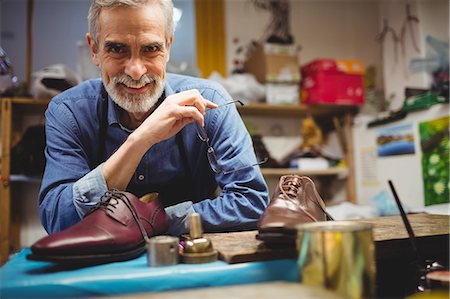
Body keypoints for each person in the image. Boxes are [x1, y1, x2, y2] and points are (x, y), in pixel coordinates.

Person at [38, 0, 269, 236]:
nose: (136, 71)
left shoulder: (211, 102)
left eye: (150, 49)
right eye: (117, 49)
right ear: (94, 50)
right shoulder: (69, 112)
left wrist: (152, 221)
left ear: (168, 47)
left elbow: (251, 202)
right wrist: (141, 140)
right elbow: (58, 217)